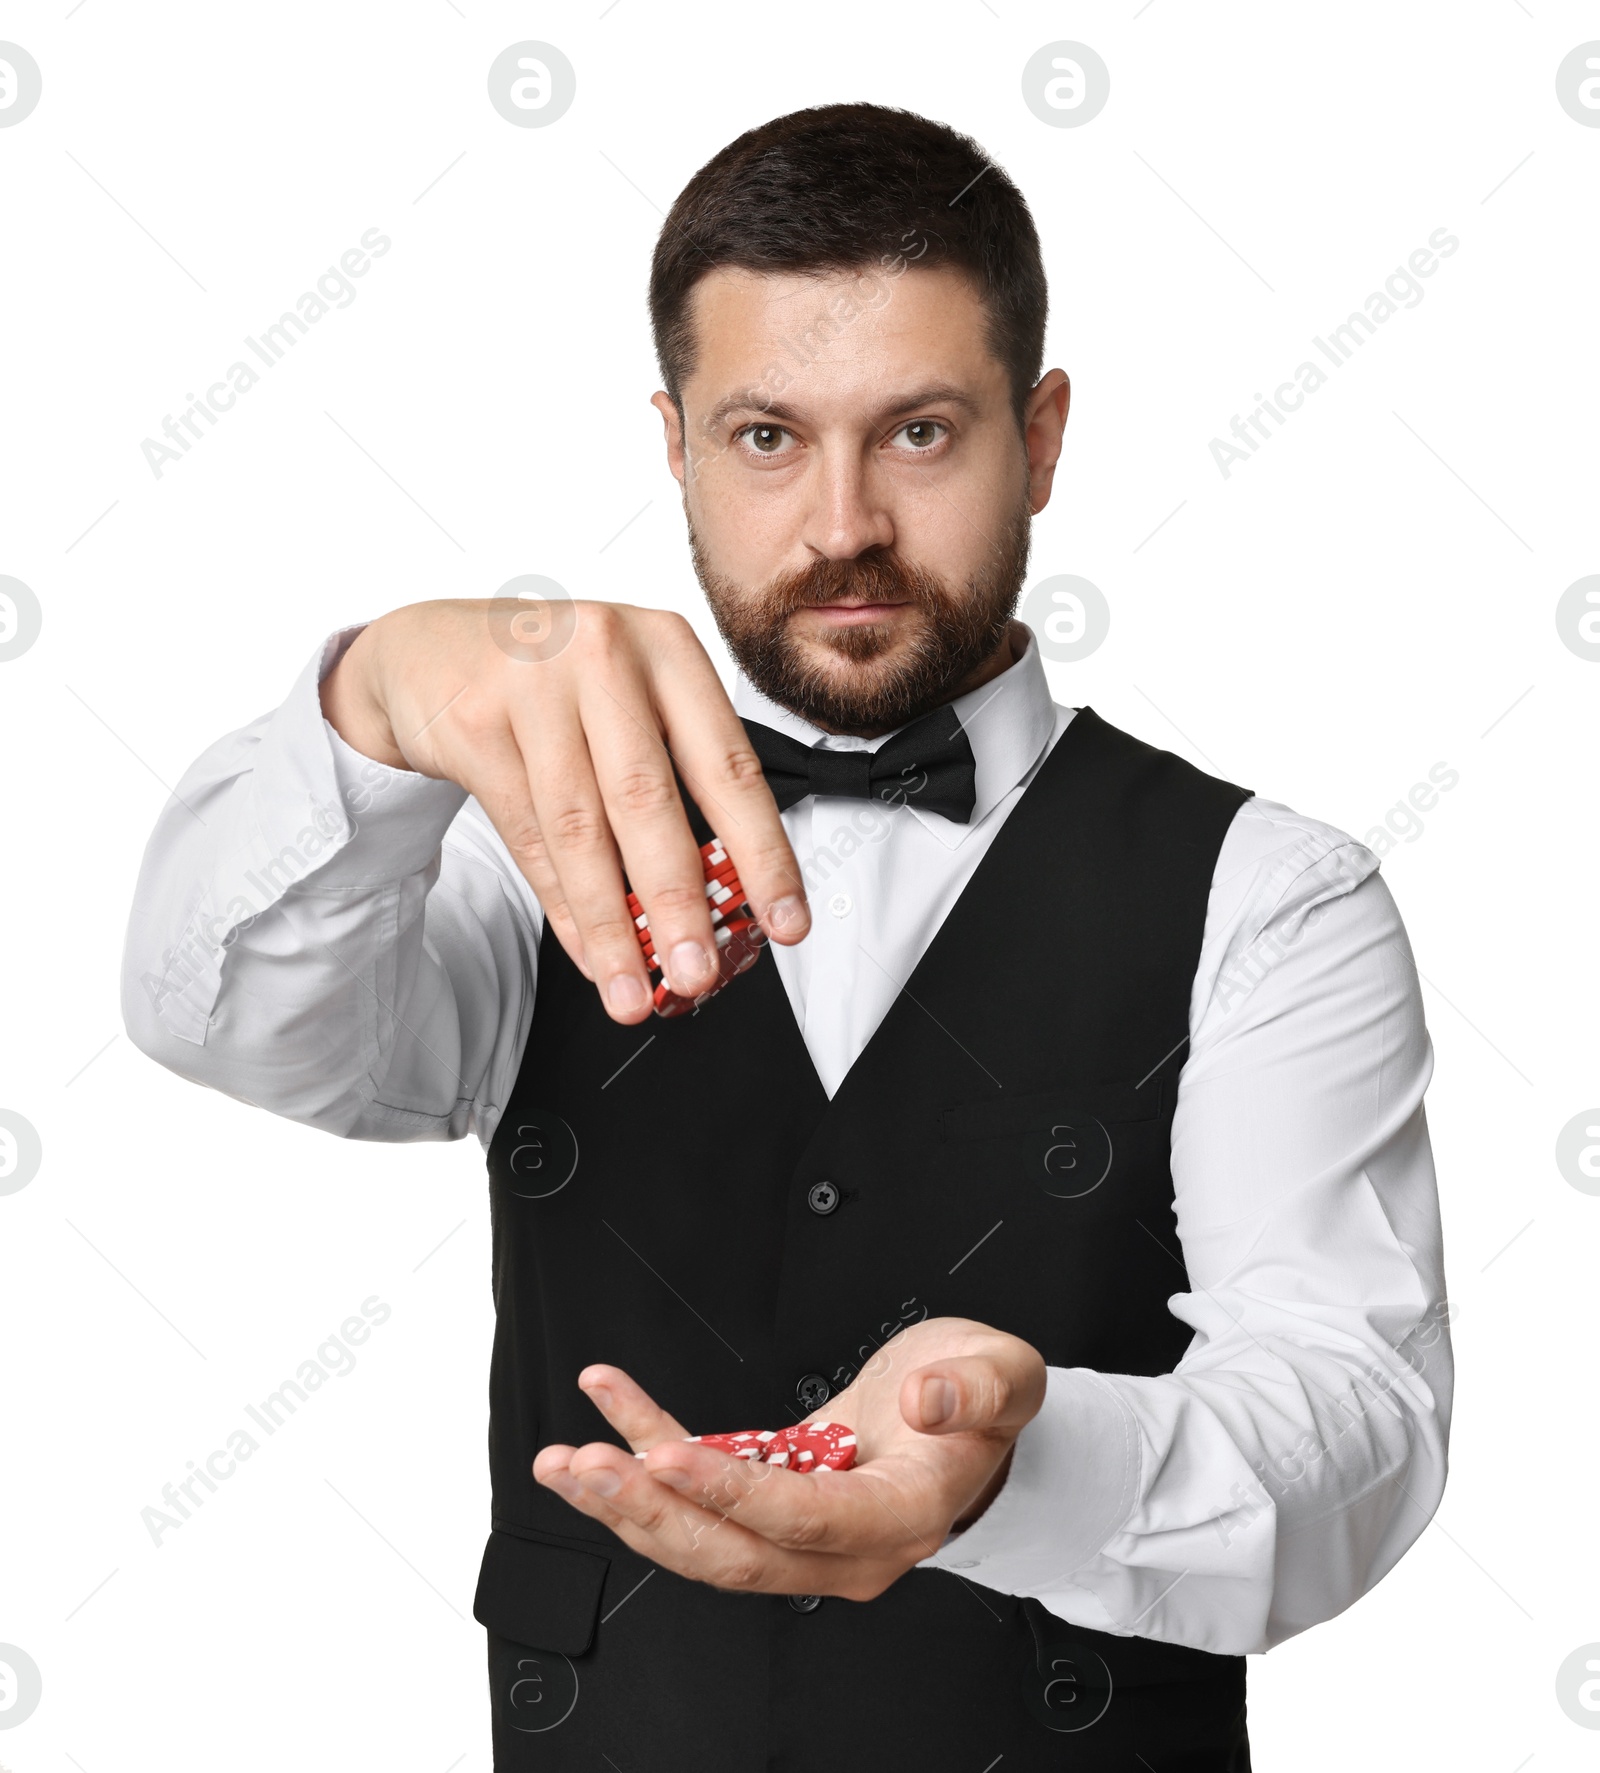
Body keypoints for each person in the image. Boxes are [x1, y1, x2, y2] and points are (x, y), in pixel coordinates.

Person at [122, 102, 1450, 1769]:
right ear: (674, 444)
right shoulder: (528, 848)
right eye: (767, 437)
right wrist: (367, 703)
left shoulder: (1271, 894)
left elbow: (1362, 1425)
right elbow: (213, 1008)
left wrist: (1020, 1459)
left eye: (918, 432)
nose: (840, 526)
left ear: (1040, 438)